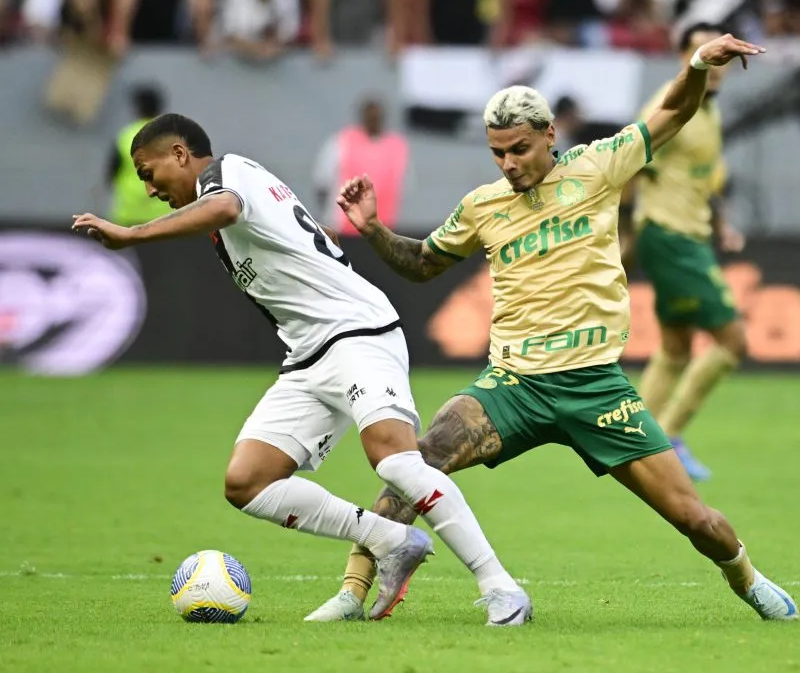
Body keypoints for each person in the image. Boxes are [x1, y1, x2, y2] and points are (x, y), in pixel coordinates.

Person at [307, 34, 800, 624]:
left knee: (694, 519)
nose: (509, 163)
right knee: (415, 462)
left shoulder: (597, 168)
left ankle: (747, 579)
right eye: (498, 153)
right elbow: (423, 263)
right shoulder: (482, 207)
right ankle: (353, 590)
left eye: (519, 148)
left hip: (597, 388)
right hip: (514, 386)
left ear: (549, 136)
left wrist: (695, 65)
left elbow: (672, 111)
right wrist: (374, 227)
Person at [70, 113, 531, 626]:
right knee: (247, 481)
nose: (149, 188)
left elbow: (223, 207)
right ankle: (389, 540)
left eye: (148, 172)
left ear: (180, 154)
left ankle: (502, 589)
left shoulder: (226, 173)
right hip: (308, 356)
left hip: (357, 332)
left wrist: (131, 234)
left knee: (396, 461)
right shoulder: (224, 194)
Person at [620, 23, 748, 483]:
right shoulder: (667, 104)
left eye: (723, 56)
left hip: (687, 234)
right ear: (683, 56)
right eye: (703, 52)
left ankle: (635, 440)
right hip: (668, 234)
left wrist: (723, 223)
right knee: (733, 341)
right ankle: (669, 437)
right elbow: (630, 159)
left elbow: (706, 178)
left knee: (675, 348)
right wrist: (627, 233)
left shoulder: (707, 109)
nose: (717, 63)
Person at [312, 98, 410, 235]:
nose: (374, 120)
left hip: (383, 233)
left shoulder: (398, 146)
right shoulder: (341, 141)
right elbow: (322, 183)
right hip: (343, 229)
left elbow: (403, 186)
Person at [106, 85, 169, 226]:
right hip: (164, 217)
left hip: (129, 215)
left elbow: (111, 174)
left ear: (137, 108)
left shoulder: (125, 136)